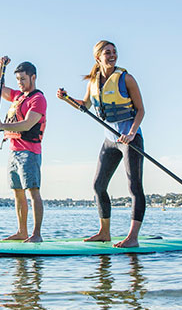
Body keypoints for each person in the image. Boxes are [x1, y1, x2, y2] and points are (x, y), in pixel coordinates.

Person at [57, 40, 145, 248]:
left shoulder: (127, 79)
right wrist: (66, 99)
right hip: (110, 141)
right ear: (98, 57)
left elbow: (141, 110)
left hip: (130, 140)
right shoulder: (93, 82)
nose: (112, 55)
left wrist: (131, 134)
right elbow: (85, 105)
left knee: (134, 187)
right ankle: (104, 232)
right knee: (98, 186)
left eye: (114, 51)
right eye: (108, 52)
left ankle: (133, 237)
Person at [0, 56, 47, 243]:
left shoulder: (38, 99)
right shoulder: (17, 96)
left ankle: (36, 234)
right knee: (17, 192)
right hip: (14, 152)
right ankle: (22, 232)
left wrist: (2, 126)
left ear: (33, 77)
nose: (20, 83)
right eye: (17, 80)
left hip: (29, 153)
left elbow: (26, 124)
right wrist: (1, 67)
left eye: (23, 79)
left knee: (33, 191)